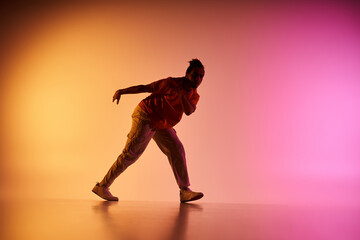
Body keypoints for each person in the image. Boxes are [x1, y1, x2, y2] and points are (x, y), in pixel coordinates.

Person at [92, 59, 205, 203]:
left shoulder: (194, 95)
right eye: (195, 75)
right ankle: (102, 186)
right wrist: (121, 91)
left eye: (202, 76)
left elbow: (188, 111)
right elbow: (145, 87)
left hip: (161, 124)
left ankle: (184, 191)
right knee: (131, 154)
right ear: (188, 74)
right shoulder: (170, 83)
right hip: (146, 115)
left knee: (177, 148)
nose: (198, 79)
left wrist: (182, 95)